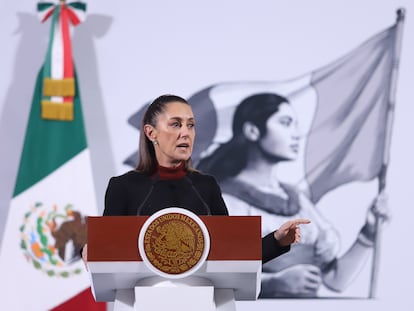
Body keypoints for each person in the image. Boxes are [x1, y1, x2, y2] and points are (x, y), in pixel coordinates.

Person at [81, 94, 310, 267]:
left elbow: (232, 253)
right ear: (151, 133)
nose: (186, 133)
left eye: (190, 125)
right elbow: (110, 252)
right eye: (176, 124)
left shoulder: (206, 186)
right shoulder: (124, 187)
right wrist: (91, 252)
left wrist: (277, 241)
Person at [197, 93, 388, 297]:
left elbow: (335, 280)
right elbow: (213, 281)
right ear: (252, 131)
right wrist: (273, 283)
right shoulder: (227, 200)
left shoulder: (298, 201)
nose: (296, 134)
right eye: (285, 123)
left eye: (296, 124)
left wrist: (368, 233)